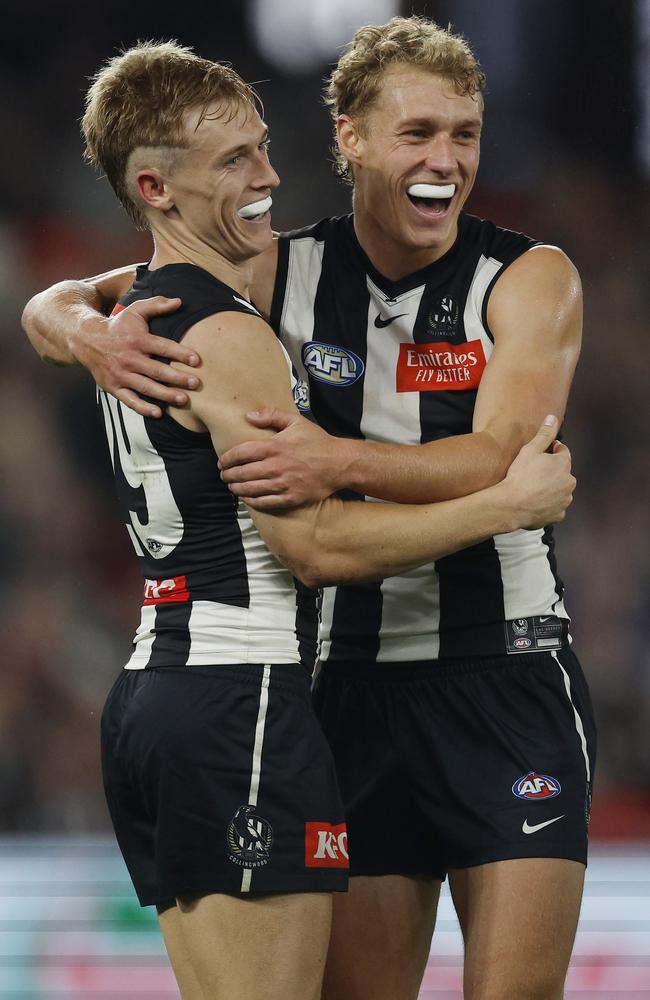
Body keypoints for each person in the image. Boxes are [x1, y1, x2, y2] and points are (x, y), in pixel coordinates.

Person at [21, 17, 592, 1000]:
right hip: (343, 689)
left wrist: (329, 455)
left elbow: (502, 453)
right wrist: (83, 331)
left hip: (505, 670)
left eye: (463, 134)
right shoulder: (274, 270)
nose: (443, 159)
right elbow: (89, 292)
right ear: (350, 138)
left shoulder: (525, 275)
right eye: (416, 133)